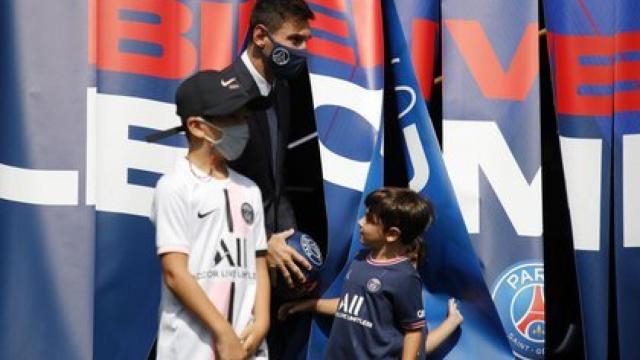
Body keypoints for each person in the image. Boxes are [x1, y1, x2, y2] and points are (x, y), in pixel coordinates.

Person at [150, 69, 273, 360]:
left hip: (248, 347)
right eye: (231, 117)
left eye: (244, 116)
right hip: (192, 348)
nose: (243, 126)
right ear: (197, 126)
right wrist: (223, 332)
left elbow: (259, 264)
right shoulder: (174, 187)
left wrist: (263, 322)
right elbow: (174, 273)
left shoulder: (249, 189)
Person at [277, 187, 464, 359]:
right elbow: (353, 305)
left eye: (368, 219)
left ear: (391, 234)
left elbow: (414, 331)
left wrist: (451, 323)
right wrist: (309, 304)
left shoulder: (405, 277)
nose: (360, 222)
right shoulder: (360, 259)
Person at [226, 0, 316, 288]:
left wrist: (292, 247)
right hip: (226, 264)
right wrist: (262, 241)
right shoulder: (220, 96)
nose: (302, 51)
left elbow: (276, 182)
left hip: (267, 267)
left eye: (306, 41)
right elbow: (212, 189)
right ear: (261, 36)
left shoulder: (283, 90)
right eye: (294, 40)